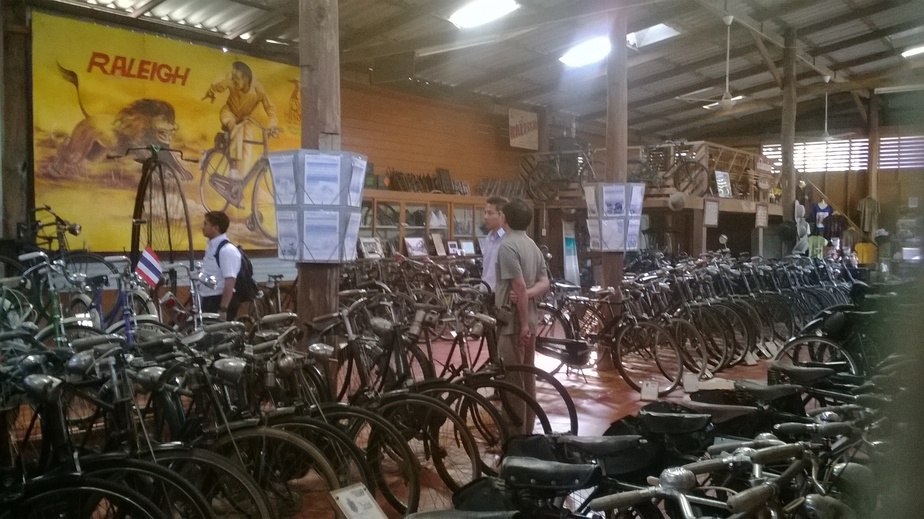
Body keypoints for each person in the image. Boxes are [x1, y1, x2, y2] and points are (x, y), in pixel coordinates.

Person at [494, 198, 550, 434]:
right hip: (530, 320)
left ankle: (514, 441)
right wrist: (528, 294)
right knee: (528, 380)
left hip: (515, 323)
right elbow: (545, 283)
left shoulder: (507, 246)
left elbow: (517, 286)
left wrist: (524, 324)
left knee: (513, 383)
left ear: (505, 218)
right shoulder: (532, 245)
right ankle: (528, 434)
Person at [204, 61, 280, 175]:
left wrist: (273, 122)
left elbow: (270, 107)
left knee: (247, 147)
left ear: (246, 79)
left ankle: (240, 178)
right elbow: (216, 86)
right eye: (233, 77)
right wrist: (222, 83)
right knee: (235, 128)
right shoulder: (230, 82)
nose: (233, 80)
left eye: (236, 78)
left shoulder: (258, 89)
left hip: (245, 119)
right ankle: (233, 168)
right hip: (228, 112)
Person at [200, 210, 242, 320]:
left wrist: (223, 309)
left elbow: (230, 281)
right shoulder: (211, 246)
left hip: (219, 300)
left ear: (216, 227)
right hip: (209, 298)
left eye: (206, 224)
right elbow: (213, 276)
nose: (202, 227)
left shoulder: (227, 250)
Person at [479, 196, 508, 292]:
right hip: (485, 291)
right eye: (485, 213)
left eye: (490, 213)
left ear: (502, 215)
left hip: (500, 294)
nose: (485, 217)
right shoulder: (488, 238)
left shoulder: (508, 240)